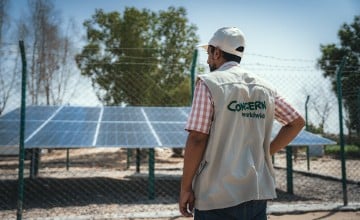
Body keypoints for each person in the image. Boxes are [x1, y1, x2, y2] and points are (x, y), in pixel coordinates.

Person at [179, 27, 305, 219]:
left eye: (209, 53)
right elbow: (296, 122)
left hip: (215, 195)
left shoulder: (209, 83)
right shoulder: (265, 88)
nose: (207, 60)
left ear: (217, 52)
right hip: (256, 192)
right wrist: (265, 153)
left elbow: (197, 138)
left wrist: (186, 187)